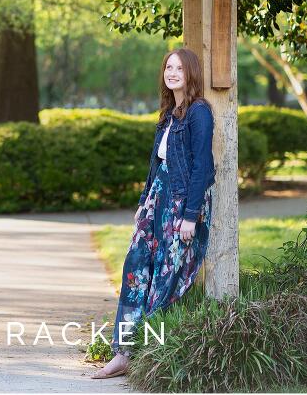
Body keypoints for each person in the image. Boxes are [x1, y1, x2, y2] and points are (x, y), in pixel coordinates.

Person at [92, 47, 216, 379]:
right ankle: (123, 352)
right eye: (168, 67)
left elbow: (202, 166)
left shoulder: (199, 113)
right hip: (158, 199)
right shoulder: (168, 113)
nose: (172, 72)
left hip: (183, 203)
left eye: (178, 67)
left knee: (165, 277)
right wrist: (143, 202)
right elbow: (157, 164)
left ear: (190, 73)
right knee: (135, 266)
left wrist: (190, 215)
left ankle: (148, 354)